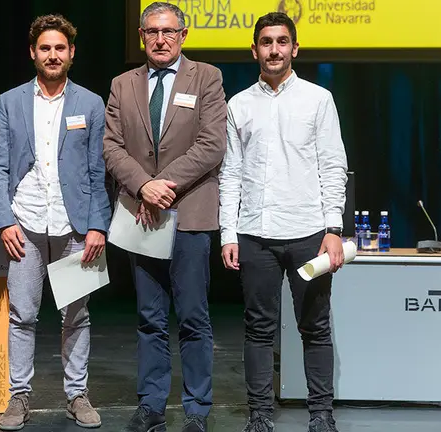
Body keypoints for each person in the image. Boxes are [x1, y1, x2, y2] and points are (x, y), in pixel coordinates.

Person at [218, 12, 348, 432]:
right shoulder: (238, 104)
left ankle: (321, 415)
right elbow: (230, 174)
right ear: (254, 50)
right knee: (258, 328)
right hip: (254, 233)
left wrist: (333, 229)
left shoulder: (318, 99)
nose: (274, 49)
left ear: (295, 48)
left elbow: (333, 166)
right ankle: (259, 416)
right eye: (266, 42)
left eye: (282, 41)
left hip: (309, 231)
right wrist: (228, 233)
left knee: (315, 326)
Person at [102, 2, 227, 431]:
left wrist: (162, 186)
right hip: (142, 216)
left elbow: (212, 145)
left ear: (183, 35)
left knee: (193, 316)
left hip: (188, 213)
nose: (160, 39)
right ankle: (151, 405)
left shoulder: (207, 77)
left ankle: (196, 410)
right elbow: (112, 147)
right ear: (141, 36)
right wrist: (143, 186)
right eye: (152, 32)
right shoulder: (122, 84)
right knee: (149, 317)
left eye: (169, 31)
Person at [0, 14, 111, 431]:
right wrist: (4, 221)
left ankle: (77, 394)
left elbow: (99, 171)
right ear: (33, 53)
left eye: (60, 48)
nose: (53, 54)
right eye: (45, 48)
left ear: (71, 53)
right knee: (22, 314)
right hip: (25, 224)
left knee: (76, 314)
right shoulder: (10, 101)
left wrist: (99, 225)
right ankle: (18, 396)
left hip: (76, 226)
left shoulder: (91, 104)